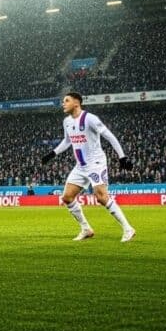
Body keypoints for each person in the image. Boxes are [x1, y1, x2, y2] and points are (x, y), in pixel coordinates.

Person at [40, 92, 136, 242]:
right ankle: (86, 229)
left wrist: (122, 156)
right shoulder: (67, 121)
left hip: (95, 163)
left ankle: (128, 229)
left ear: (76, 103)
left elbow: (109, 136)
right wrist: (52, 154)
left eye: (66, 100)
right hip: (80, 166)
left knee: (101, 197)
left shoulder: (90, 118)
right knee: (67, 197)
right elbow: (67, 141)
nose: (63, 103)